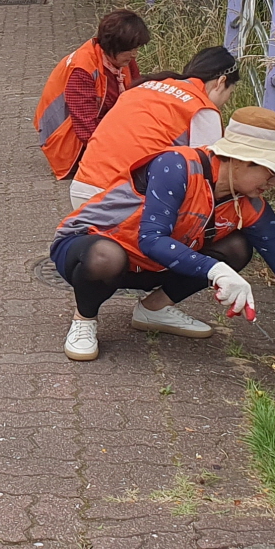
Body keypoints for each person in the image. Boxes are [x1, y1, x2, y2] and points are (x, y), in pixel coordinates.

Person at [52, 107, 275, 365]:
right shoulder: (177, 166)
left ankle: (153, 310)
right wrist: (216, 272)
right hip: (92, 245)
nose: (273, 185)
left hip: (153, 265)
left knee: (236, 247)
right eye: (271, 173)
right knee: (105, 258)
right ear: (242, 161)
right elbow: (151, 239)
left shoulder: (251, 205)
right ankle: (85, 319)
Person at [65, 46, 242, 335]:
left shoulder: (147, 86)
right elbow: (207, 177)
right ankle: (153, 306)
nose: (224, 103)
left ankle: (87, 317)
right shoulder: (202, 109)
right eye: (229, 94)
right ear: (221, 82)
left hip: (85, 191)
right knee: (215, 235)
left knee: (110, 254)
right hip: (127, 201)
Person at [35, 9, 149, 183]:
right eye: (129, 50)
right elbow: (86, 127)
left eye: (136, 49)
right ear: (113, 46)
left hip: (95, 128)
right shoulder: (82, 70)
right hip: (66, 142)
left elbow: (137, 99)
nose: (134, 55)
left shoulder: (121, 59)